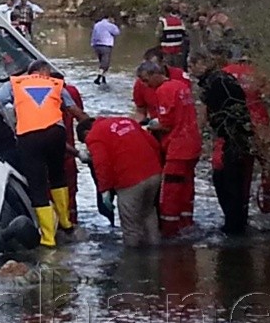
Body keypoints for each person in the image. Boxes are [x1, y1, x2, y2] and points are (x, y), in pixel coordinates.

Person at [0, 60, 83, 247]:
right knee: (58, 175)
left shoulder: (15, 84)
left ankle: (48, 238)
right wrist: (91, 123)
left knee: (37, 184)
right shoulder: (56, 84)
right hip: (56, 134)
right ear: (44, 72)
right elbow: (74, 110)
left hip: (29, 136)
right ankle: (66, 222)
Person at [188, 50, 254, 235]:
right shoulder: (222, 78)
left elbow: (204, 113)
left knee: (228, 182)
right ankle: (235, 223)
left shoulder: (213, 82)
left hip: (233, 137)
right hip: (237, 135)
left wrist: (197, 137)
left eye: (192, 66)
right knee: (226, 180)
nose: (191, 70)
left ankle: (234, 227)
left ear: (202, 63)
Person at [137, 61, 203, 237]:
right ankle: (186, 224)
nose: (145, 85)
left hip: (178, 146)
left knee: (171, 191)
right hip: (193, 143)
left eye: (145, 80)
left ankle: (169, 231)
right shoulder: (181, 86)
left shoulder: (163, 90)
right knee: (187, 187)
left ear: (154, 74)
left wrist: (150, 125)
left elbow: (166, 123)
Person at [77, 116, 163, 247]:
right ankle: (156, 252)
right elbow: (154, 144)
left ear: (85, 133)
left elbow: (101, 164)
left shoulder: (94, 136)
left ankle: (132, 261)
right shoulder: (128, 121)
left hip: (130, 182)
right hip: (154, 174)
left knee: (130, 226)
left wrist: (104, 190)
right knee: (148, 213)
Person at [222, 47, 270, 212]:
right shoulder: (258, 74)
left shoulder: (224, 73)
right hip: (260, 126)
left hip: (234, 128)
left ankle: (241, 208)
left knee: (241, 172)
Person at [53, 68, 84, 230]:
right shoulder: (70, 91)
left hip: (60, 151)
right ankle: (70, 222)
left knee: (57, 190)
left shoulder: (39, 95)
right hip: (65, 150)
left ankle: (64, 223)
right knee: (68, 190)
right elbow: (81, 117)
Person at [132, 47, 185, 120]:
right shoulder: (141, 83)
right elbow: (140, 112)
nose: (149, 69)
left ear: (163, 62)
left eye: (153, 66)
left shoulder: (179, 77)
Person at [89, 13, 120, 85]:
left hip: (96, 45)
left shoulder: (97, 25)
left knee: (102, 62)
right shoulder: (110, 25)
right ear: (110, 18)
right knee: (105, 63)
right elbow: (117, 32)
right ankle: (98, 78)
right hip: (106, 45)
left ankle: (104, 79)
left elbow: (93, 35)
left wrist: (93, 44)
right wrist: (114, 25)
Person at [157, 3, 188, 69]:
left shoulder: (163, 22)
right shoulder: (180, 21)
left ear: (163, 11)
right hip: (178, 52)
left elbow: (158, 35)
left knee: (167, 71)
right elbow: (185, 34)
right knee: (178, 71)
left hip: (166, 51)